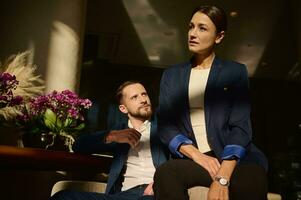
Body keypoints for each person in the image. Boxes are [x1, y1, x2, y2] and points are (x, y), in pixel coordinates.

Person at [153, 5, 268, 200]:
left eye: (202, 28)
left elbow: (241, 126)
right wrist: (199, 156)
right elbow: (165, 125)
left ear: (219, 37)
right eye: (191, 26)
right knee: (166, 172)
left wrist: (223, 176)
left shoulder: (235, 72)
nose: (193, 33)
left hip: (231, 160)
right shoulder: (171, 75)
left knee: (254, 176)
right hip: (193, 159)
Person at [50, 81, 169, 200]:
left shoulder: (164, 129)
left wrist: (160, 183)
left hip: (155, 194)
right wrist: (111, 136)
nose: (143, 100)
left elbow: (180, 159)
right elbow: (79, 146)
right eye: (135, 97)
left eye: (144, 94)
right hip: (122, 195)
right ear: (123, 109)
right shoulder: (118, 133)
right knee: (63, 196)